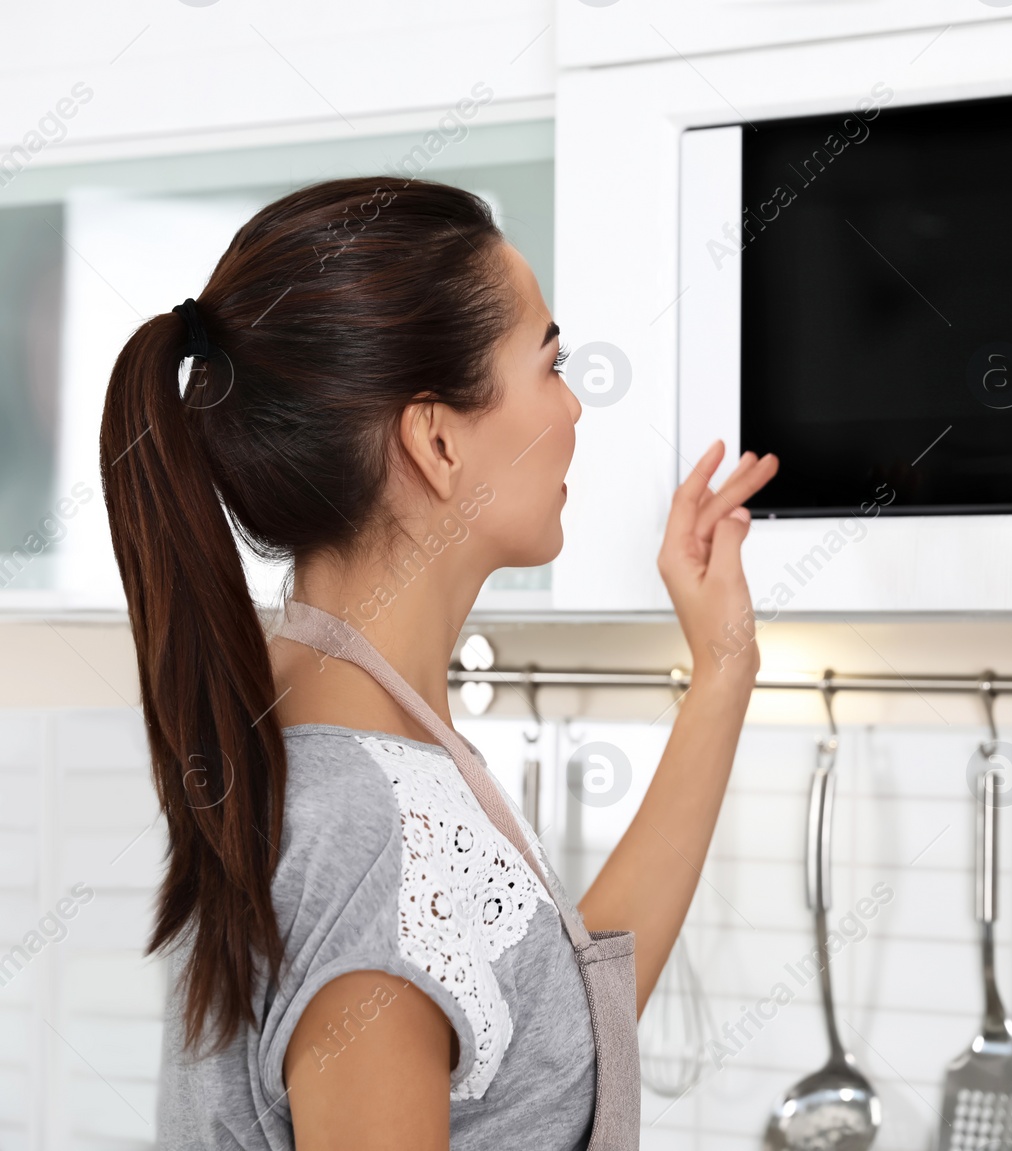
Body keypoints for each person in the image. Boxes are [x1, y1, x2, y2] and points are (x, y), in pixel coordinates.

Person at [97, 177, 778, 1150]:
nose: (575, 405)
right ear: (437, 438)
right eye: (550, 364)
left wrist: (723, 664)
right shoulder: (360, 823)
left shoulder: (370, 732)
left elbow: (563, 1029)